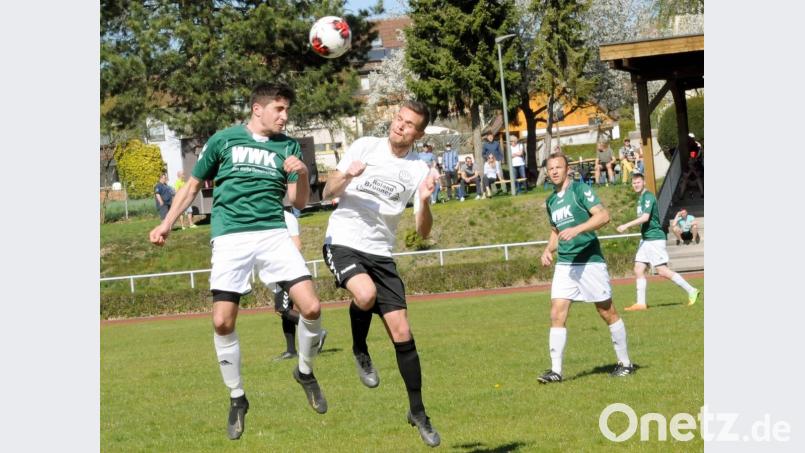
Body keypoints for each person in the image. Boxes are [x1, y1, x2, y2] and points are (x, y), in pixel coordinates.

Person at [148, 83, 328, 440]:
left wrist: (303, 173)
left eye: (287, 109)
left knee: (311, 306)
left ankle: (305, 372)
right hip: (230, 235)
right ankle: (237, 397)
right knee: (222, 321)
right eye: (279, 108)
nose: (285, 115)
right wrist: (167, 222)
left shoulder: (289, 146)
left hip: (273, 232)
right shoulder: (224, 140)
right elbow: (193, 185)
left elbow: (298, 202)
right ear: (257, 109)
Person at [321, 100, 441, 447]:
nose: (400, 126)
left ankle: (418, 411)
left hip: (381, 252)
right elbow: (328, 190)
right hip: (342, 240)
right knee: (365, 295)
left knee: (402, 331)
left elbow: (422, 232)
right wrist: (347, 175)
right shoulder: (364, 146)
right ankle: (359, 348)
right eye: (399, 119)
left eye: (409, 124)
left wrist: (427, 201)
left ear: (418, 134)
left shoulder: (420, 168)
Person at [538, 151, 635, 384]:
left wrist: (579, 229)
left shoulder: (580, 190)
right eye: (550, 168)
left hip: (590, 261)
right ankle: (556, 371)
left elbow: (603, 216)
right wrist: (548, 250)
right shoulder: (551, 201)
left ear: (567, 169)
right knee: (556, 313)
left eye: (558, 167)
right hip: (566, 264)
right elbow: (555, 230)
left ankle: (626, 363)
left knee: (606, 311)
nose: (554, 171)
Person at [616, 172, 701, 311]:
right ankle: (641, 304)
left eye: (638, 182)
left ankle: (692, 290)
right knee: (638, 269)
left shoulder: (648, 196)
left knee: (662, 270)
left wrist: (626, 225)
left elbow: (645, 217)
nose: (635, 185)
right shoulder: (641, 198)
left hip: (654, 239)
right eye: (633, 183)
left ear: (644, 182)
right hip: (646, 239)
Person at [272, 209, 328, 361]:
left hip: (287, 270)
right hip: (277, 270)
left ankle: (318, 333)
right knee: (286, 312)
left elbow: (297, 245)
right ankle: (291, 350)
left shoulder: (286, 217)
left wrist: (284, 263)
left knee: (282, 309)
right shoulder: (270, 216)